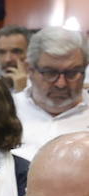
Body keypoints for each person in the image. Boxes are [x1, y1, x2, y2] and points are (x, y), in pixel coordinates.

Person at [12, 26, 89, 160]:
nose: (61, 84)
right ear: (29, 70)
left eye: (72, 73)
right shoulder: (6, 110)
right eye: (50, 73)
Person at [0, 24, 32, 93]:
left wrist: (22, 91)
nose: (7, 59)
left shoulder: (41, 85)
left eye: (16, 52)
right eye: (1, 52)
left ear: (30, 53)